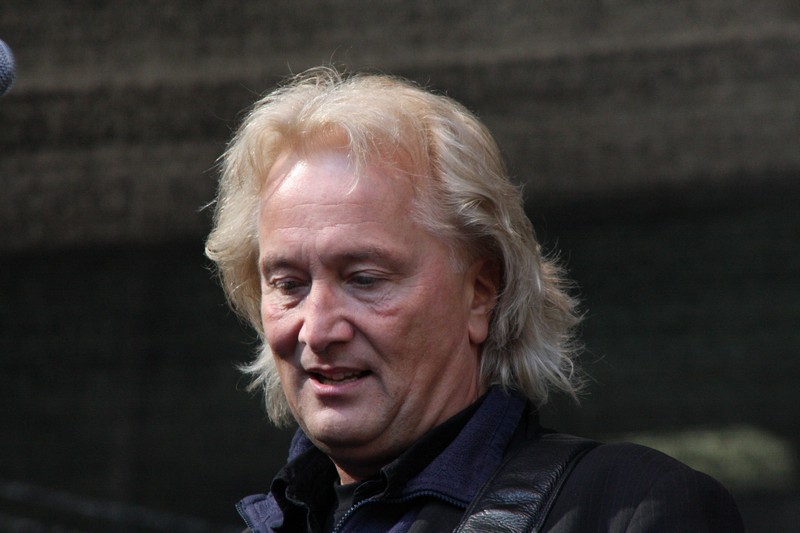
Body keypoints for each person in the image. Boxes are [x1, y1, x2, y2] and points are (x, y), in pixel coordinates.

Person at [205, 66, 744, 532]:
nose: (318, 329)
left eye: (365, 279)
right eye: (288, 285)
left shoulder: (628, 509)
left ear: (481, 293)